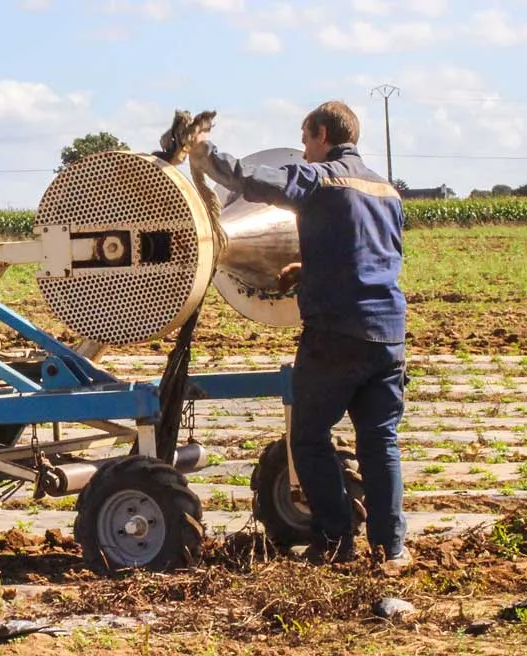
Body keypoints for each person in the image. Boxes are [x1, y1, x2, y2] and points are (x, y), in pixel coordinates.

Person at [161, 101, 411, 572]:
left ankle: (336, 540)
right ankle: (391, 549)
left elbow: (256, 182)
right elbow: (373, 254)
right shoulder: (387, 190)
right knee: (380, 442)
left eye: (304, 136)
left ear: (322, 134)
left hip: (337, 332)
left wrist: (203, 152)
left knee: (310, 438)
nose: (301, 147)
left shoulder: (321, 178)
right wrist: (310, 269)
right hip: (389, 332)